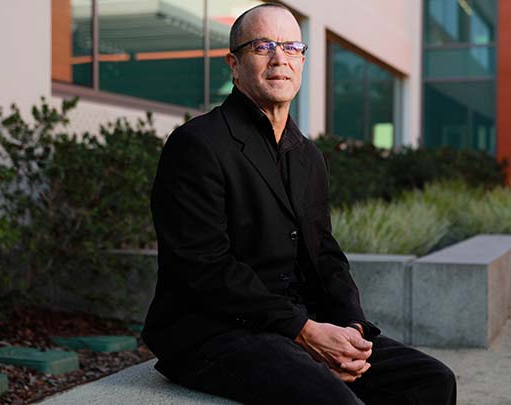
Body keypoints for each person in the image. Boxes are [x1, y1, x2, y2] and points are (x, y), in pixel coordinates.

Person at [142, 3, 456, 404]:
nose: (280, 59)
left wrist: (351, 327)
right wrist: (305, 331)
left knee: (431, 380)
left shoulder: (308, 155)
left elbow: (325, 254)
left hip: (295, 322)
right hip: (213, 330)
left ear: (303, 62)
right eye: (263, 46)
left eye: (291, 47)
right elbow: (203, 267)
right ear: (234, 64)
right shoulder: (197, 144)